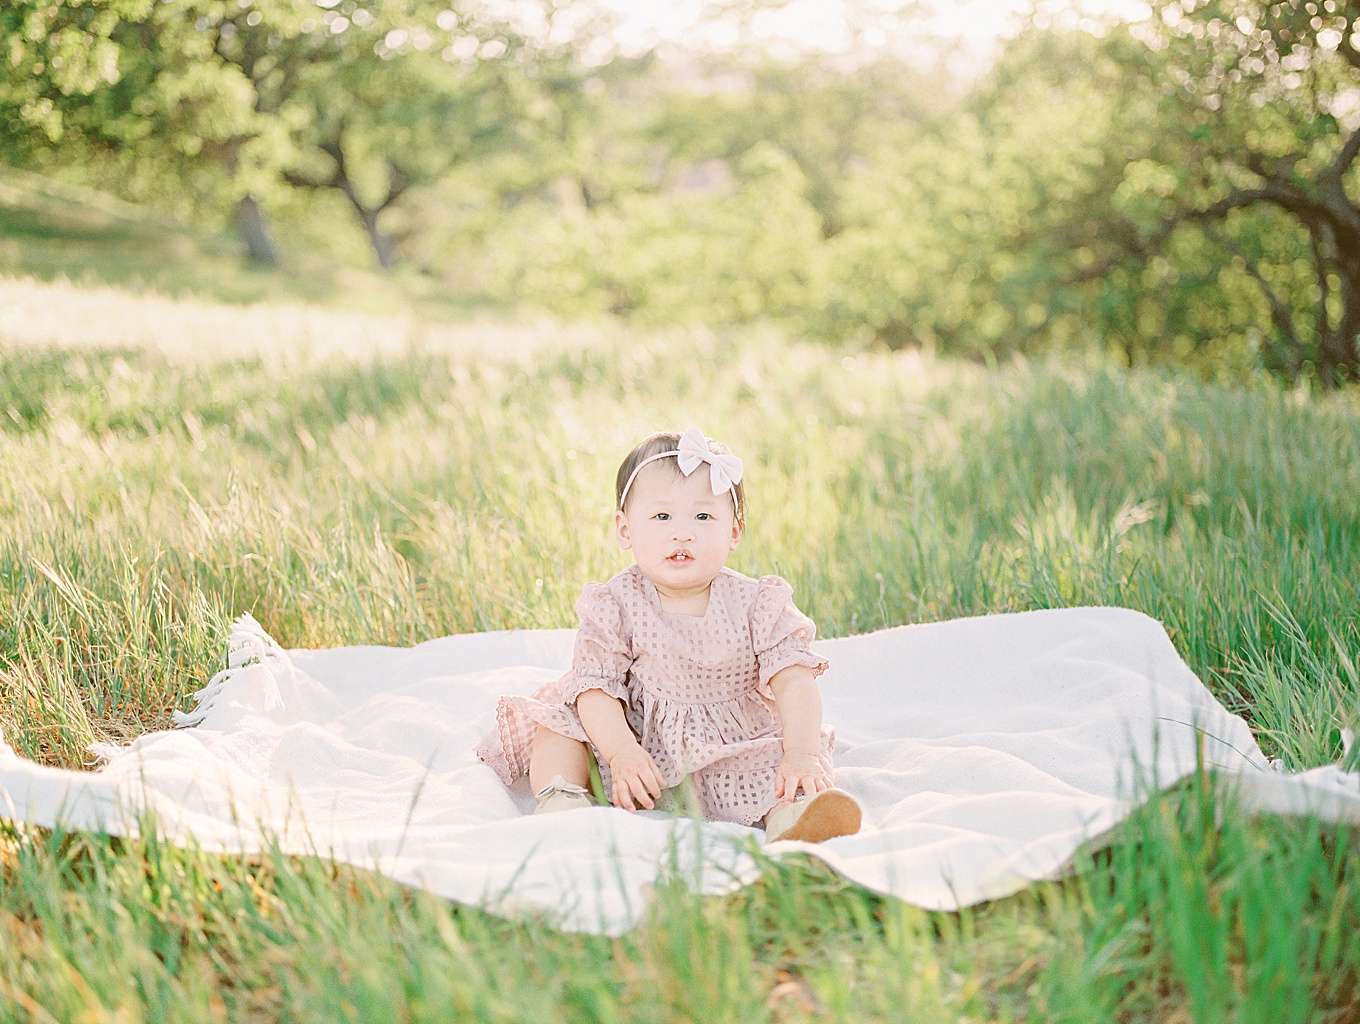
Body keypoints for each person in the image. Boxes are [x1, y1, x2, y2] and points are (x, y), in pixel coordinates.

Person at [473, 426, 862, 844]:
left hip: (732, 744)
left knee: (787, 760)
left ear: (734, 531)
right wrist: (621, 752)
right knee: (559, 723)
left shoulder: (759, 603)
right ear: (625, 530)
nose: (683, 532)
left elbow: (794, 681)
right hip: (634, 741)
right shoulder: (614, 604)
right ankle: (563, 801)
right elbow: (596, 688)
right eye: (661, 517)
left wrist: (800, 753)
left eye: (703, 516)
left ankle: (794, 817)